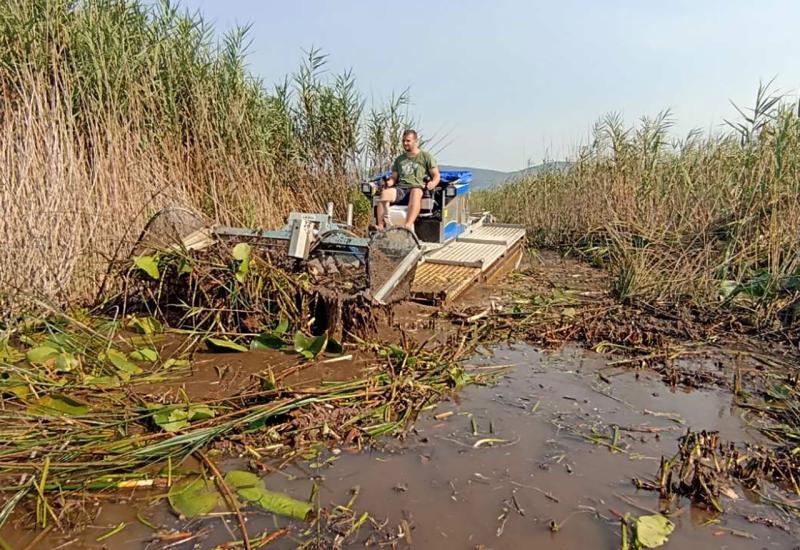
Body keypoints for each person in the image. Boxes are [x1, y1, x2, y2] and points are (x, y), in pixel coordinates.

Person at [376, 129, 440, 231]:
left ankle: (408, 225)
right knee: (385, 193)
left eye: (408, 141)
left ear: (415, 141)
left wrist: (432, 183)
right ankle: (380, 226)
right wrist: (389, 182)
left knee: (415, 191)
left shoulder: (426, 157)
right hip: (401, 189)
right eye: (403, 141)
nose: (405, 143)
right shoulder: (399, 159)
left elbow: (436, 175)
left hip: (417, 188)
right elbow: (394, 178)